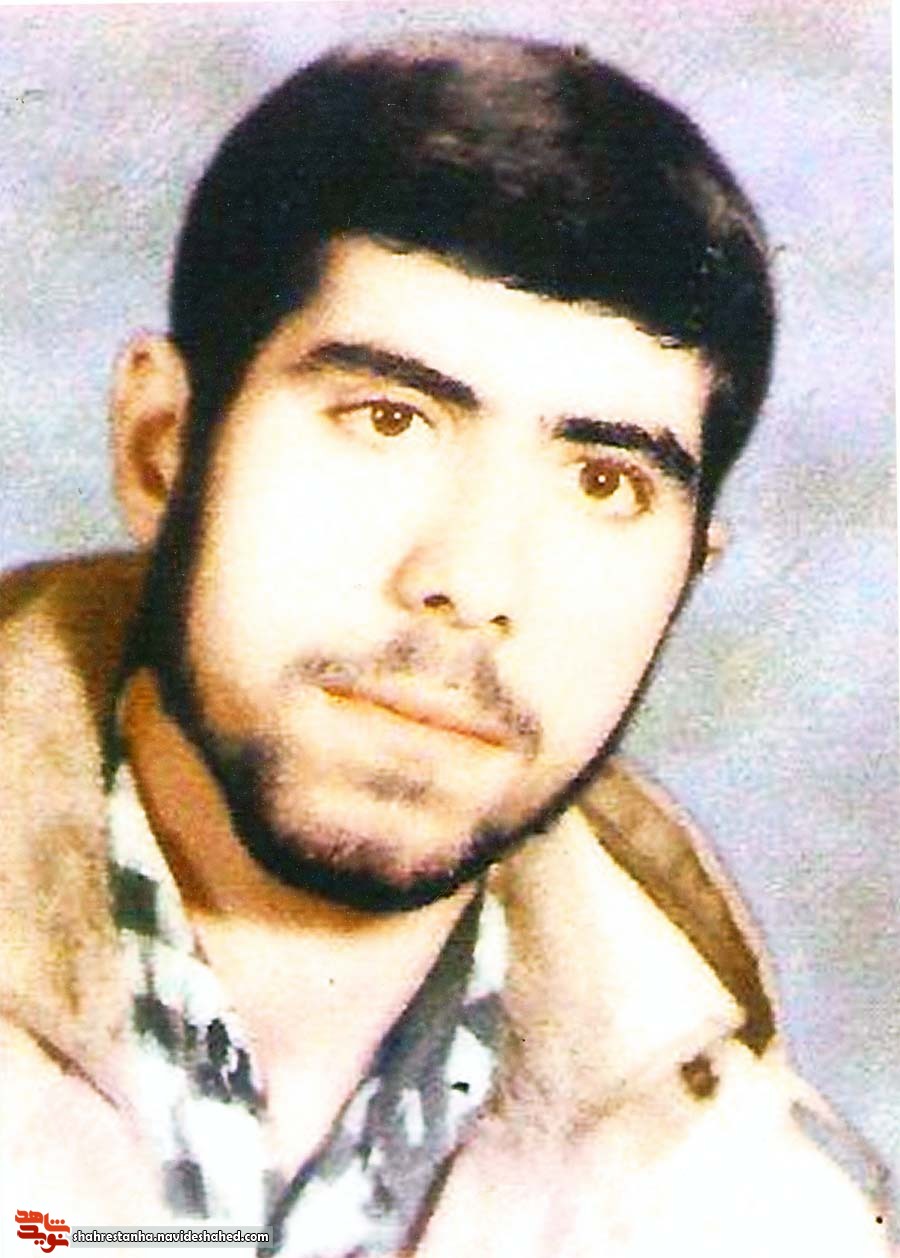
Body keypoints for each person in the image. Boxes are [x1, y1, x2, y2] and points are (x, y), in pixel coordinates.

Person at [0, 32, 890, 1257]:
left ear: (688, 574)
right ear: (164, 446)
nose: (470, 582)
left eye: (604, 482)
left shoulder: (764, 1213)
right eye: (387, 419)